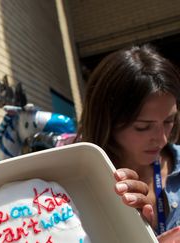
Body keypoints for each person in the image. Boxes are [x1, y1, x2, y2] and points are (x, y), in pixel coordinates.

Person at [77, 45, 180, 240]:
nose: (162, 139)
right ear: (107, 121)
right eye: (143, 127)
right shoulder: (79, 184)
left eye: (169, 121)